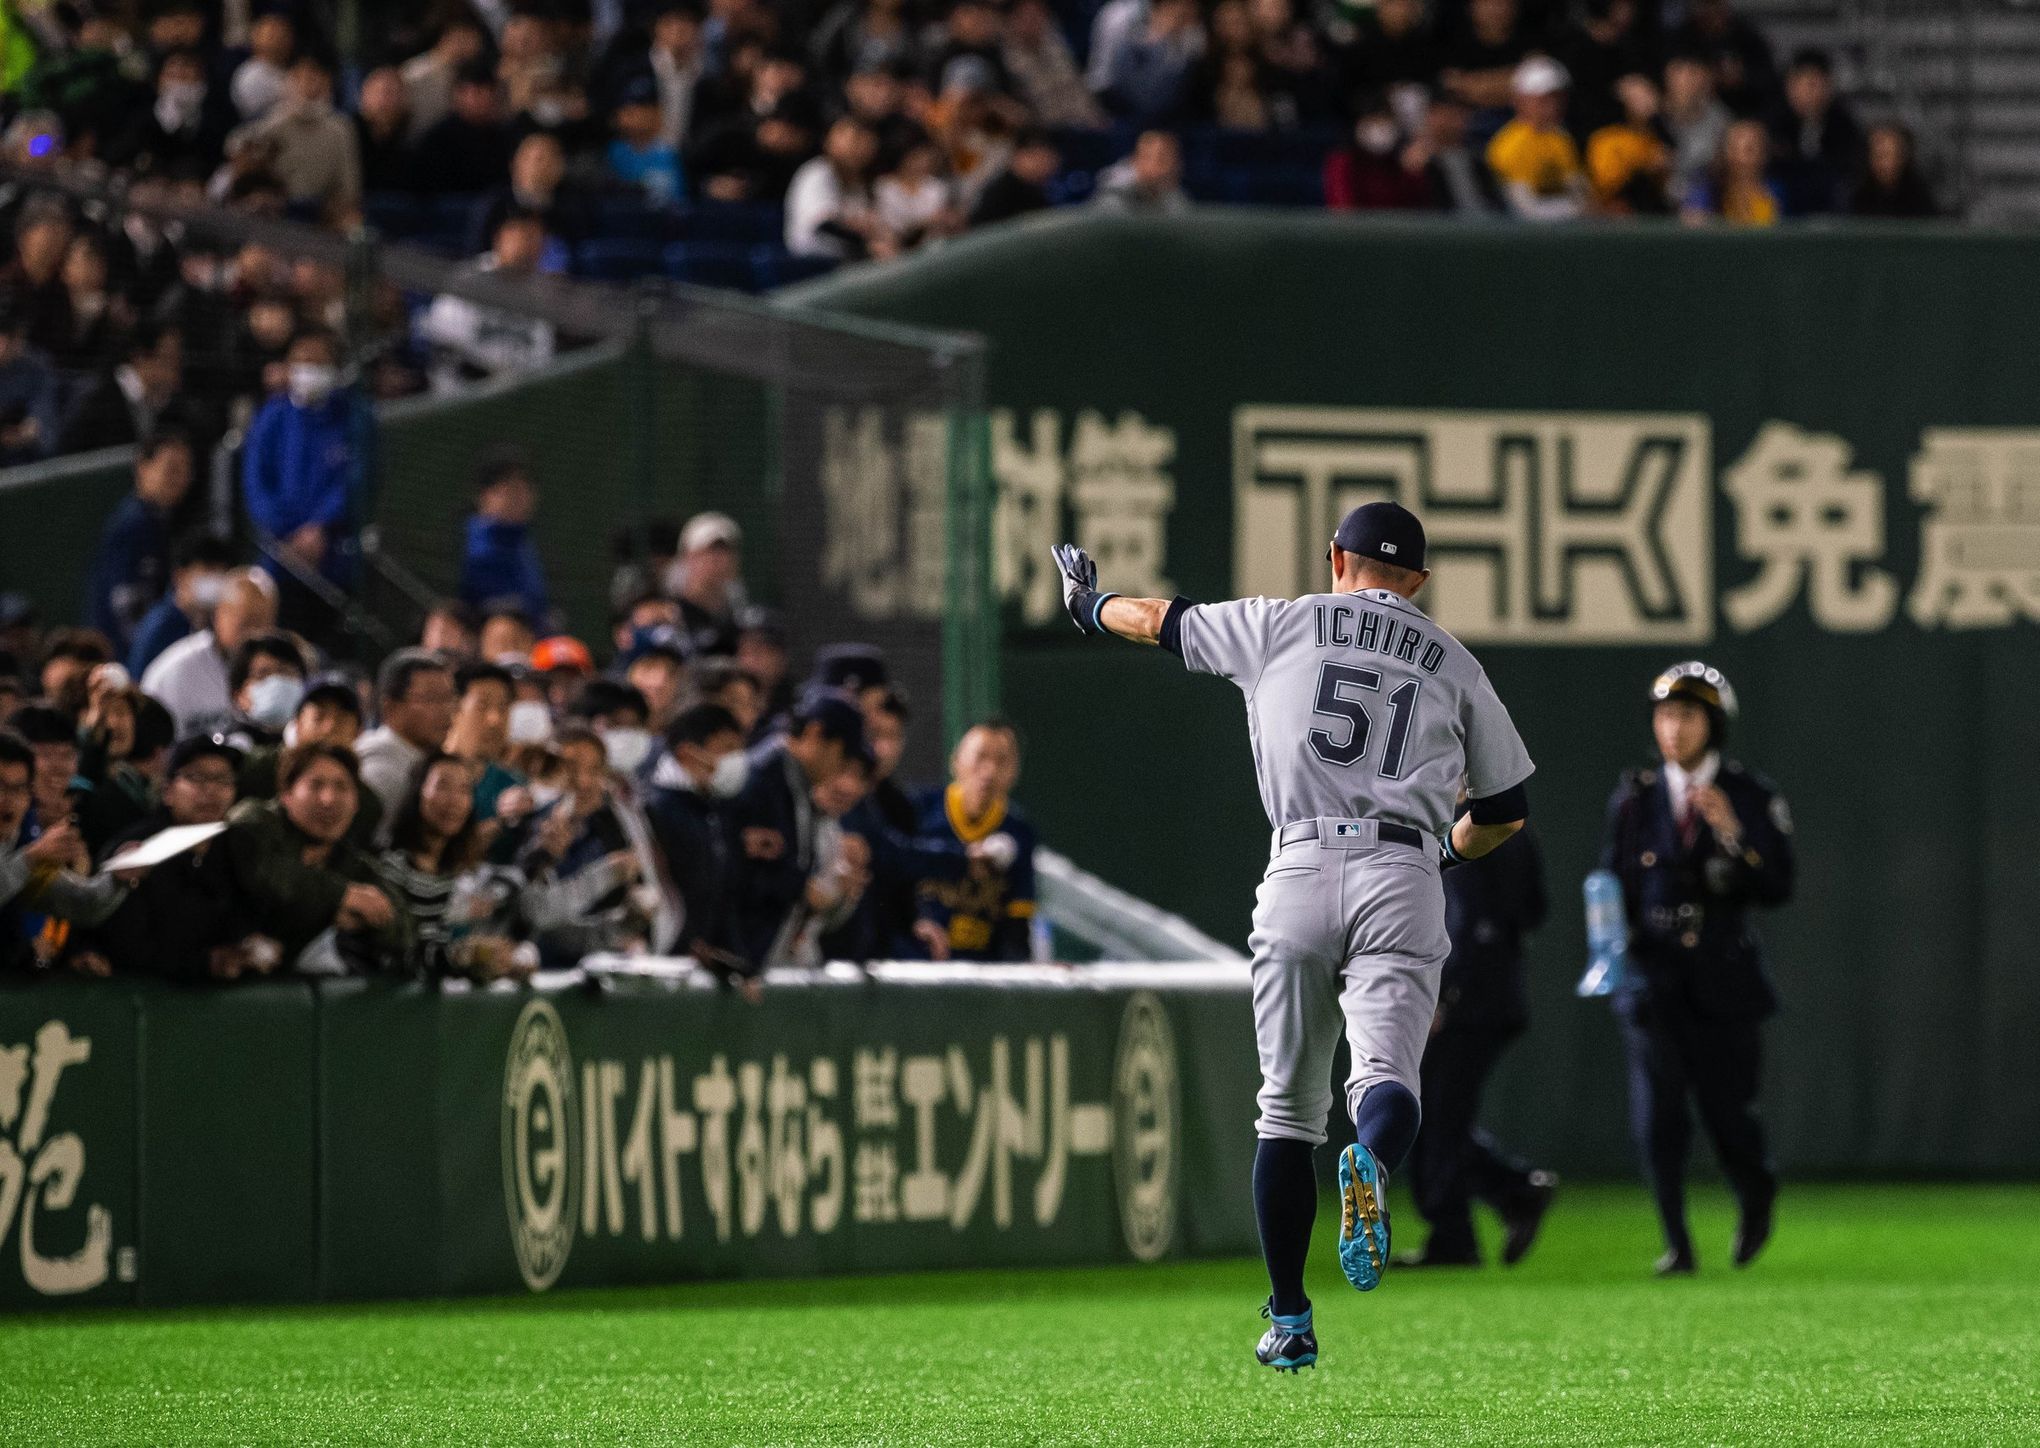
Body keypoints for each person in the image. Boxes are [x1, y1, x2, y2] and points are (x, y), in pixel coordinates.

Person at [1048, 500, 1533, 1371]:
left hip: (1300, 865)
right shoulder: (1454, 661)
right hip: (1406, 874)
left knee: (1286, 1112)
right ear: (1417, 583)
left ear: (1336, 559)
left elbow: (1156, 620)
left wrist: (1087, 604)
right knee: (1388, 1079)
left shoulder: (1281, 622)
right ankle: (1375, 1166)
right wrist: (1443, 860)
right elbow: (1504, 812)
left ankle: (1291, 1318)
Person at [1598, 662, 1793, 1276]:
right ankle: (1677, 1242)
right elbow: (1612, 884)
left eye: (1686, 716)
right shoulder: (1635, 798)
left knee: (1729, 1113)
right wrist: (1611, 956)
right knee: (1658, 1118)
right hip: (1653, 982)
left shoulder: (1749, 794)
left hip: (1722, 982)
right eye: (1664, 716)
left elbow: (1779, 883)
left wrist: (1734, 835)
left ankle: (1755, 1192)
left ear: (1714, 724)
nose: (1673, 729)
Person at [1400, 824, 1556, 1267]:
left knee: (1430, 1115)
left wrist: (1444, 996)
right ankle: (1510, 1196)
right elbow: (1533, 910)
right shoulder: (1511, 823)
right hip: (1489, 995)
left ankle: (1466, 1227)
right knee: (1435, 1116)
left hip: (1470, 1003)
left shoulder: (1480, 823)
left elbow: (1471, 920)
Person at [215, 741, 408, 975]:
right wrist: (340, 896)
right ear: (286, 794)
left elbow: (403, 926)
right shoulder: (254, 820)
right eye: (316, 786)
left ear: (356, 802)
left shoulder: (348, 858)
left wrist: (363, 921)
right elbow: (268, 877)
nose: (328, 799)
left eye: (341, 787)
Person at [723, 688, 870, 970]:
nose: (839, 768)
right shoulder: (762, 780)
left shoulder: (792, 782)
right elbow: (739, 878)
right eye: (841, 755)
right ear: (815, 734)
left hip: (766, 957)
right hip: (744, 956)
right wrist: (801, 888)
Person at [242, 327, 372, 616]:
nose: (307, 370)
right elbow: (256, 483)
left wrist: (320, 527)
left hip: (335, 556)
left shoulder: (356, 418)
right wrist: (287, 534)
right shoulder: (272, 417)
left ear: (335, 368)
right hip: (278, 556)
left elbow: (358, 480)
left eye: (317, 362)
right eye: (300, 361)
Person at [377, 751, 531, 980]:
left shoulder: (452, 872)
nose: (454, 800)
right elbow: (392, 952)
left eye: (464, 790)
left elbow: (510, 883)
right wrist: (462, 956)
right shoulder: (390, 866)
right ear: (417, 792)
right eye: (443, 787)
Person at [908, 718, 1036, 962]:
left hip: (982, 976)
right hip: (917, 964)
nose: (989, 771)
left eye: (1001, 761)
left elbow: (1016, 929)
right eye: (980, 757)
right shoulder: (918, 811)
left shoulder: (1019, 832)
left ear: (1015, 771)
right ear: (956, 761)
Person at [646, 700, 752, 986]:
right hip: (663, 965)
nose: (737, 759)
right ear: (687, 753)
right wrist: (683, 943)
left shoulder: (712, 810)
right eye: (727, 748)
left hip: (694, 966)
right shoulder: (656, 809)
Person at [85, 429, 195, 655]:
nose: (180, 478)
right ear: (143, 468)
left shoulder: (159, 520)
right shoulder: (133, 524)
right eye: (171, 469)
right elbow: (125, 608)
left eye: (185, 470)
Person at [140, 568, 278, 736]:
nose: (254, 634)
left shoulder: (280, 672)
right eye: (246, 623)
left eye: (263, 624)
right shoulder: (174, 672)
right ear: (219, 615)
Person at [355, 649, 458, 832]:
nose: (447, 710)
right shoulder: (379, 769)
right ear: (390, 707)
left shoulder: (425, 761)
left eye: (449, 698)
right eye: (432, 699)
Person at [1486, 56, 1587, 221]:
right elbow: (1522, 209)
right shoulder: (1508, 146)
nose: (1553, 106)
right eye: (1544, 99)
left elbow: (1579, 193)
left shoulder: (1561, 139)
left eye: (1557, 98)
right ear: (1521, 100)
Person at [458, 452, 551, 623]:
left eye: (526, 488)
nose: (522, 497)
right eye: (512, 490)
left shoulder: (523, 544)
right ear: (485, 495)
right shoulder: (464, 546)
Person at [1768, 49, 1861, 216]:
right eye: (1806, 84)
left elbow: (1847, 167)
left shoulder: (1842, 124)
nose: (1811, 93)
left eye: (1817, 84)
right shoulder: (1773, 122)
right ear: (1790, 86)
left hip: (1828, 206)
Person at [128, 534, 236, 678]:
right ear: (180, 576)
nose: (216, 579)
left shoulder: (218, 624)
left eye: (221, 571)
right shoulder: (159, 629)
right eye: (208, 570)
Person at [672, 512, 747, 655]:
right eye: (710, 551)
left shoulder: (741, 613)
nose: (719, 559)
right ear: (688, 557)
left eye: (726, 551)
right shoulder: (670, 614)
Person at [1681, 117, 1778, 225]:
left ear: (1763, 154)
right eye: (1734, 149)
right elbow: (1690, 221)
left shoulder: (1777, 193)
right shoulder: (1708, 193)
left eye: (1749, 150)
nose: (1740, 158)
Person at [1090, 129, 1191, 215]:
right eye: (1162, 160)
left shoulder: (1174, 196)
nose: (1171, 167)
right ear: (1139, 160)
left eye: (1175, 160)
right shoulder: (1113, 199)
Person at [1851, 122, 1936, 219]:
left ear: (1903, 157)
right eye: (1879, 155)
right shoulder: (1857, 196)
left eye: (1889, 155)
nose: (1884, 164)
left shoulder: (1919, 197)